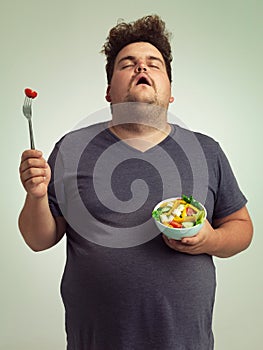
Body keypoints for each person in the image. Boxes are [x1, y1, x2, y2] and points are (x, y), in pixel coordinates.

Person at [19, 15, 253, 350]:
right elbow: (38, 239)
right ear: (109, 91)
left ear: (170, 91)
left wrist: (210, 240)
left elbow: (241, 226)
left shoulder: (206, 151)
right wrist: (36, 196)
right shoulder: (71, 149)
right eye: (127, 64)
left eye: (153, 64)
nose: (141, 68)